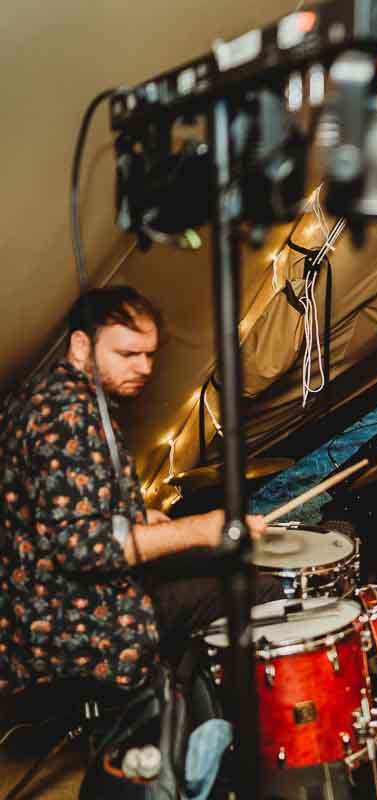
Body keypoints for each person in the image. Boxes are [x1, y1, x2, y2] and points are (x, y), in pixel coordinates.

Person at [0, 286, 279, 694]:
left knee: (212, 557)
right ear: (81, 346)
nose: (145, 368)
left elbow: (61, 505)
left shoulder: (47, 396)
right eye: (128, 355)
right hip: (69, 625)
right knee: (257, 588)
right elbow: (83, 548)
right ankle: (211, 716)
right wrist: (197, 529)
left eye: (149, 355)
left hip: (45, 599)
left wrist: (139, 516)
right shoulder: (67, 417)